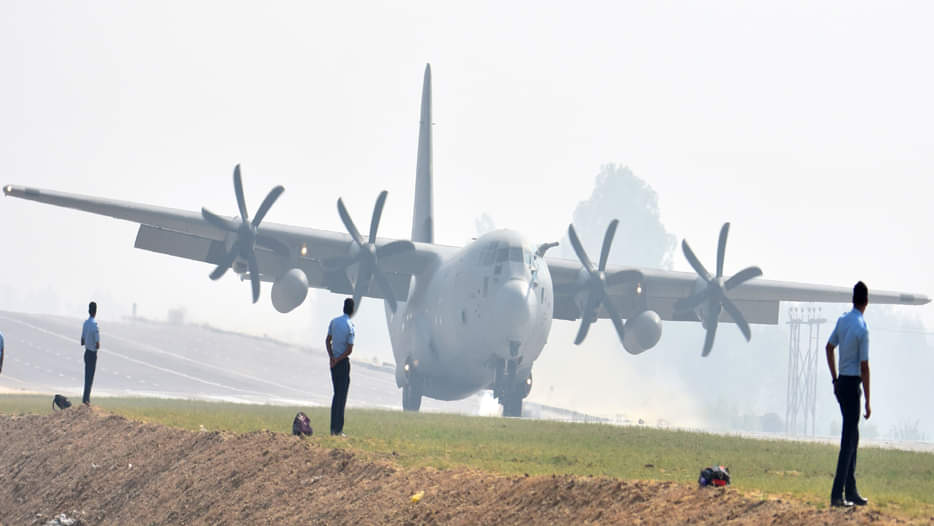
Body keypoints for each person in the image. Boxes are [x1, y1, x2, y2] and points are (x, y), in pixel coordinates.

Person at [825, 281, 871, 508]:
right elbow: (864, 367)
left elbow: (829, 347)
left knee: (853, 436)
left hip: (841, 382)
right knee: (848, 440)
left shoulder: (843, 320)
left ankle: (851, 490)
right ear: (866, 301)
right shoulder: (862, 327)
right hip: (853, 385)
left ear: (854, 299)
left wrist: (834, 378)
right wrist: (869, 401)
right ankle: (837, 494)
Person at [325, 298, 355, 436]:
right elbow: (349, 350)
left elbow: (328, 340)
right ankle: (338, 429)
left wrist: (332, 357)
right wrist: (338, 359)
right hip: (342, 363)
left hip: (333, 364)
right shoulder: (350, 326)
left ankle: (333, 428)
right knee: (341, 397)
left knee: (336, 395)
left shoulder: (334, 321)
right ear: (352, 310)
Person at [80, 301, 101, 406]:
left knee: (86, 376)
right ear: (95, 311)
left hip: (86, 352)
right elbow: (98, 344)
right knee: (90, 377)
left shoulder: (85, 324)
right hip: (92, 353)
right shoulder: (95, 325)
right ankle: (86, 399)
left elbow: (82, 341)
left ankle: (85, 398)